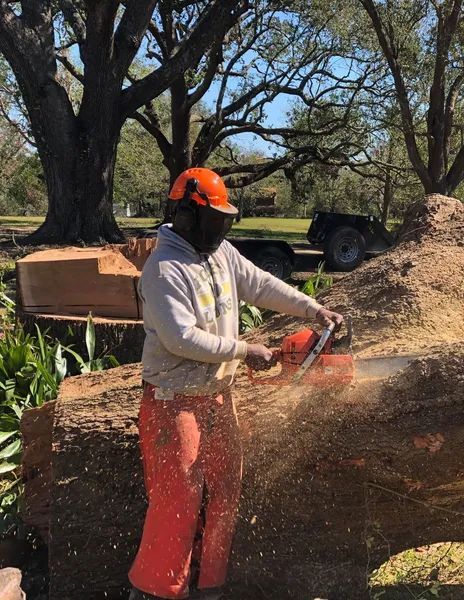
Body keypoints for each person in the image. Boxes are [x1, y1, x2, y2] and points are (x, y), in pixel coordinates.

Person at [128, 168, 343, 600]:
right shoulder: (164, 269)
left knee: (226, 488)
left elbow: (260, 283)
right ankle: (155, 592)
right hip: (173, 403)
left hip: (216, 398)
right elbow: (180, 337)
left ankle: (210, 586)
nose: (220, 229)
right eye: (214, 220)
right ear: (187, 215)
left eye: (225, 221)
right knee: (178, 501)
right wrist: (245, 350)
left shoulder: (220, 253)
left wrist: (312, 309)